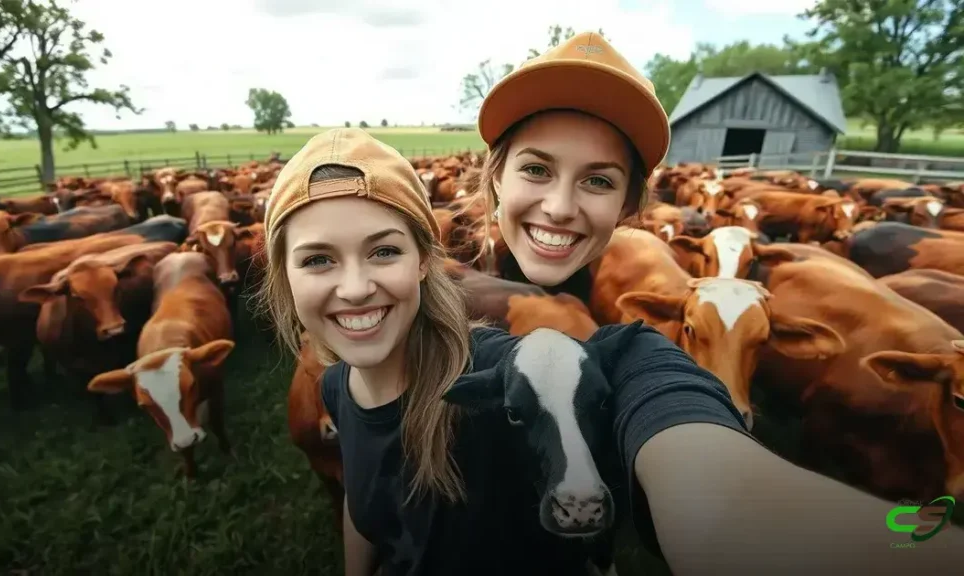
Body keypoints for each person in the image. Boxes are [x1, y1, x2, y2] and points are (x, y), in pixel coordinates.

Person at [464, 30, 964, 573]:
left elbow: (721, 487)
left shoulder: (633, 352)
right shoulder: (414, 302)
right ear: (496, 178)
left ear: (629, 204)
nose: (559, 207)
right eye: (537, 169)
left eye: (598, 180)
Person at [258, 128, 621, 576]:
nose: (354, 289)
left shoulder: (495, 374)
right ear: (284, 276)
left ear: (424, 260)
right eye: (317, 259)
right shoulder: (335, 386)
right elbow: (362, 498)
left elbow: (632, 367)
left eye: (384, 251)